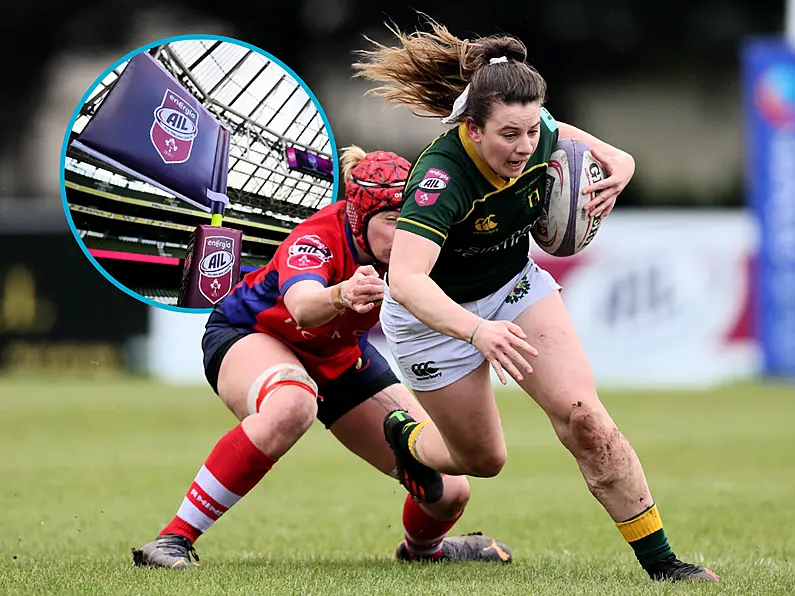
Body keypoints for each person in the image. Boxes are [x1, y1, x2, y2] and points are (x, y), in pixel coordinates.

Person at [352, 17, 720, 583]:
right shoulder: (441, 178)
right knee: (482, 461)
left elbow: (571, 137)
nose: (525, 148)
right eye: (509, 135)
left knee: (585, 419)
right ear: (472, 129)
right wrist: (476, 333)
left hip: (513, 288)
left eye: (531, 132)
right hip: (432, 318)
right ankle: (409, 437)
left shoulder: (537, 131)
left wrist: (622, 162)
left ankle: (664, 564)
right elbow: (406, 282)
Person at [131, 146, 512, 568]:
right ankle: (171, 540)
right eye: (393, 220)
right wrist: (341, 293)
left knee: (450, 489)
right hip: (252, 334)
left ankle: (424, 552)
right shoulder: (316, 239)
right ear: (359, 217)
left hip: (338, 357)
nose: (406, 232)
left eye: (410, 218)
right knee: (293, 403)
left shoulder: (414, 245)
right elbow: (303, 307)